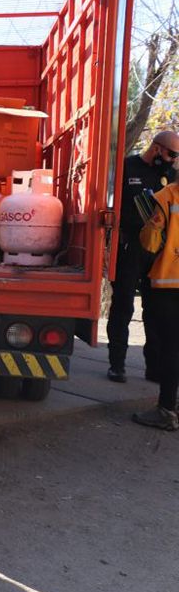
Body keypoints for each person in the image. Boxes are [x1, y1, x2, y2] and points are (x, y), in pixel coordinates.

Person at [106, 131, 178, 383]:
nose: (173, 160)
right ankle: (117, 364)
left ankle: (154, 367)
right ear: (157, 149)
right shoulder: (127, 167)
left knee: (155, 309)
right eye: (171, 154)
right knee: (123, 305)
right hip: (130, 249)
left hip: (158, 251)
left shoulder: (171, 176)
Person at [132, 159, 179, 431]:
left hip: (169, 284)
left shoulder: (165, 197)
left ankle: (166, 411)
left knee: (171, 349)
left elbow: (150, 244)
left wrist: (148, 225)